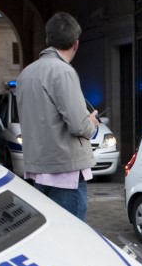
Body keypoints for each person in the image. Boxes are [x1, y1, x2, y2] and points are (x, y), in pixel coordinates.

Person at [16, 12, 99, 221]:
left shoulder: (26, 74)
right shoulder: (63, 71)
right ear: (76, 44)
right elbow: (79, 126)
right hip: (66, 173)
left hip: (39, 169)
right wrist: (92, 123)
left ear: (47, 40)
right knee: (74, 238)